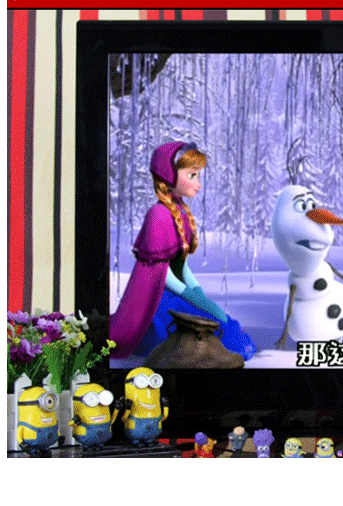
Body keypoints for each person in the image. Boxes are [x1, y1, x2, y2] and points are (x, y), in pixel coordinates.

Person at [109, 141, 255, 361]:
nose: (198, 185)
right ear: (169, 174)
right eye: (192, 176)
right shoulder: (158, 214)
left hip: (175, 291)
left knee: (228, 330)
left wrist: (197, 291)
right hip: (158, 299)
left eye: (198, 176)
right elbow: (160, 270)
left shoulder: (179, 212)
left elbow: (180, 263)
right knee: (216, 337)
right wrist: (189, 294)